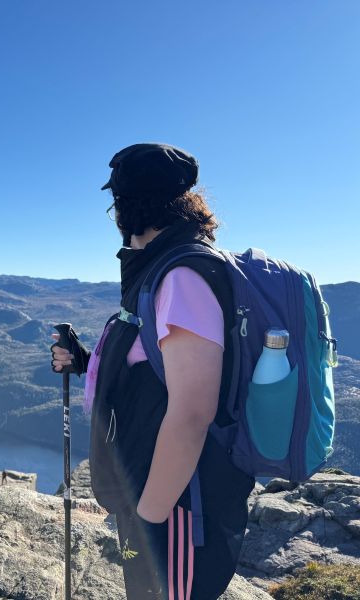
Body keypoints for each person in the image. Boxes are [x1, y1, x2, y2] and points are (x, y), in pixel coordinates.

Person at [51, 143, 255, 599]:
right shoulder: (160, 269)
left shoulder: (182, 276)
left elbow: (192, 411)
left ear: (126, 206)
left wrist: (150, 514)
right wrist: (84, 362)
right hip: (151, 492)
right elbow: (152, 373)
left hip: (178, 503)